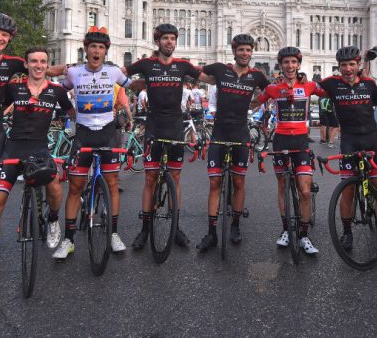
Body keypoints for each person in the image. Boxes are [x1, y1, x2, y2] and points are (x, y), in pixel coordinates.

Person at [0, 47, 74, 284]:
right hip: (11, 149)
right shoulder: (13, 88)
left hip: (39, 150)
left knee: (56, 187)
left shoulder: (57, 91)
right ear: (26, 65)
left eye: (43, 61)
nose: (38, 65)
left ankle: (53, 219)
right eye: (34, 61)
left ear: (48, 65)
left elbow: (73, 114)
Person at [53, 28, 132, 260]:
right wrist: (70, 112)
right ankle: (67, 239)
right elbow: (59, 91)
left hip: (108, 133)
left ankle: (114, 233)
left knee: (112, 182)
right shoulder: (75, 73)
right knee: (75, 187)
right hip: (84, 134)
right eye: (93, 47)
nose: (96, 51)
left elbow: (131, 86)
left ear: (105, 51)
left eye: (101, 48)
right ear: (86, 50)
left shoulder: (114, 72)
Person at [123, 24, 202, 250]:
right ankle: (145, 230)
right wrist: (131, 85)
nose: (169, 42)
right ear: (158, 41)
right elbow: (121, 74)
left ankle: (176, 228)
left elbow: (209, 78)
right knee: (150, 179)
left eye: (173, 39)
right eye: (165, 38)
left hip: (176, 128)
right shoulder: (146, 65)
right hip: (154, 128)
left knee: (175, 179)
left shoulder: (183, 65)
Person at [320, 46, 377, 257]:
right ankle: (347, 233)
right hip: (349, 142)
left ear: (358, 65)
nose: (347, 68)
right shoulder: (331, 84)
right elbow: (308, 89)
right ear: (338, 67)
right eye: (343, 65)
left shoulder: (369, 84)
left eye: (352, 64)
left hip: (373, 141)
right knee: (348, 190)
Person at [195, 34, 269, 252]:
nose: (245, 53)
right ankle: (211, 233)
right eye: (241, 50)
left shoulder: (256, 76)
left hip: (240, 135)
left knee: (239, 183)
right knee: (215, 184)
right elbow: (197, 74)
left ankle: (235, 225)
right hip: (218, 134)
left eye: (248, 50)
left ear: (252, 52)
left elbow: (271, 91)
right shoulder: (220, 69)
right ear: (234, 51)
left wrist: (255, 104)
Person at [251, 47, 324, 255]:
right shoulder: (274, 88)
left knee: (305, 190)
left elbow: (330, 92)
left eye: (293, 62)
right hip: (281, 141)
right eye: (286, 63)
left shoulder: (309, 86)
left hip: (301, 142)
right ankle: (285, 230)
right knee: (282, 186)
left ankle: (304, 235)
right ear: (280, 65)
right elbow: (256, 103)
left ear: (298, 64)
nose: (290, 66)